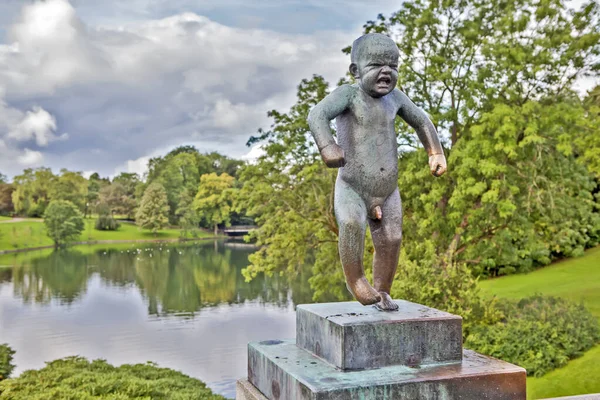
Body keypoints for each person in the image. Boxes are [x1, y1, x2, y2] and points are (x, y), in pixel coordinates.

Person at [307, 33, 447, 311]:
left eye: (393, 66)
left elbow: (421, 120)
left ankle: (382, 290)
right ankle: (356, 279)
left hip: (388, 189)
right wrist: (327, 146)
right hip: (352, 187)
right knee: (351, 225)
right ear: (356, 71)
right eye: (376, 65)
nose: (386, 71)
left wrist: (436, 151)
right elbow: (317, 115)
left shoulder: (396, 99)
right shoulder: (348, 95)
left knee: (392, 238)